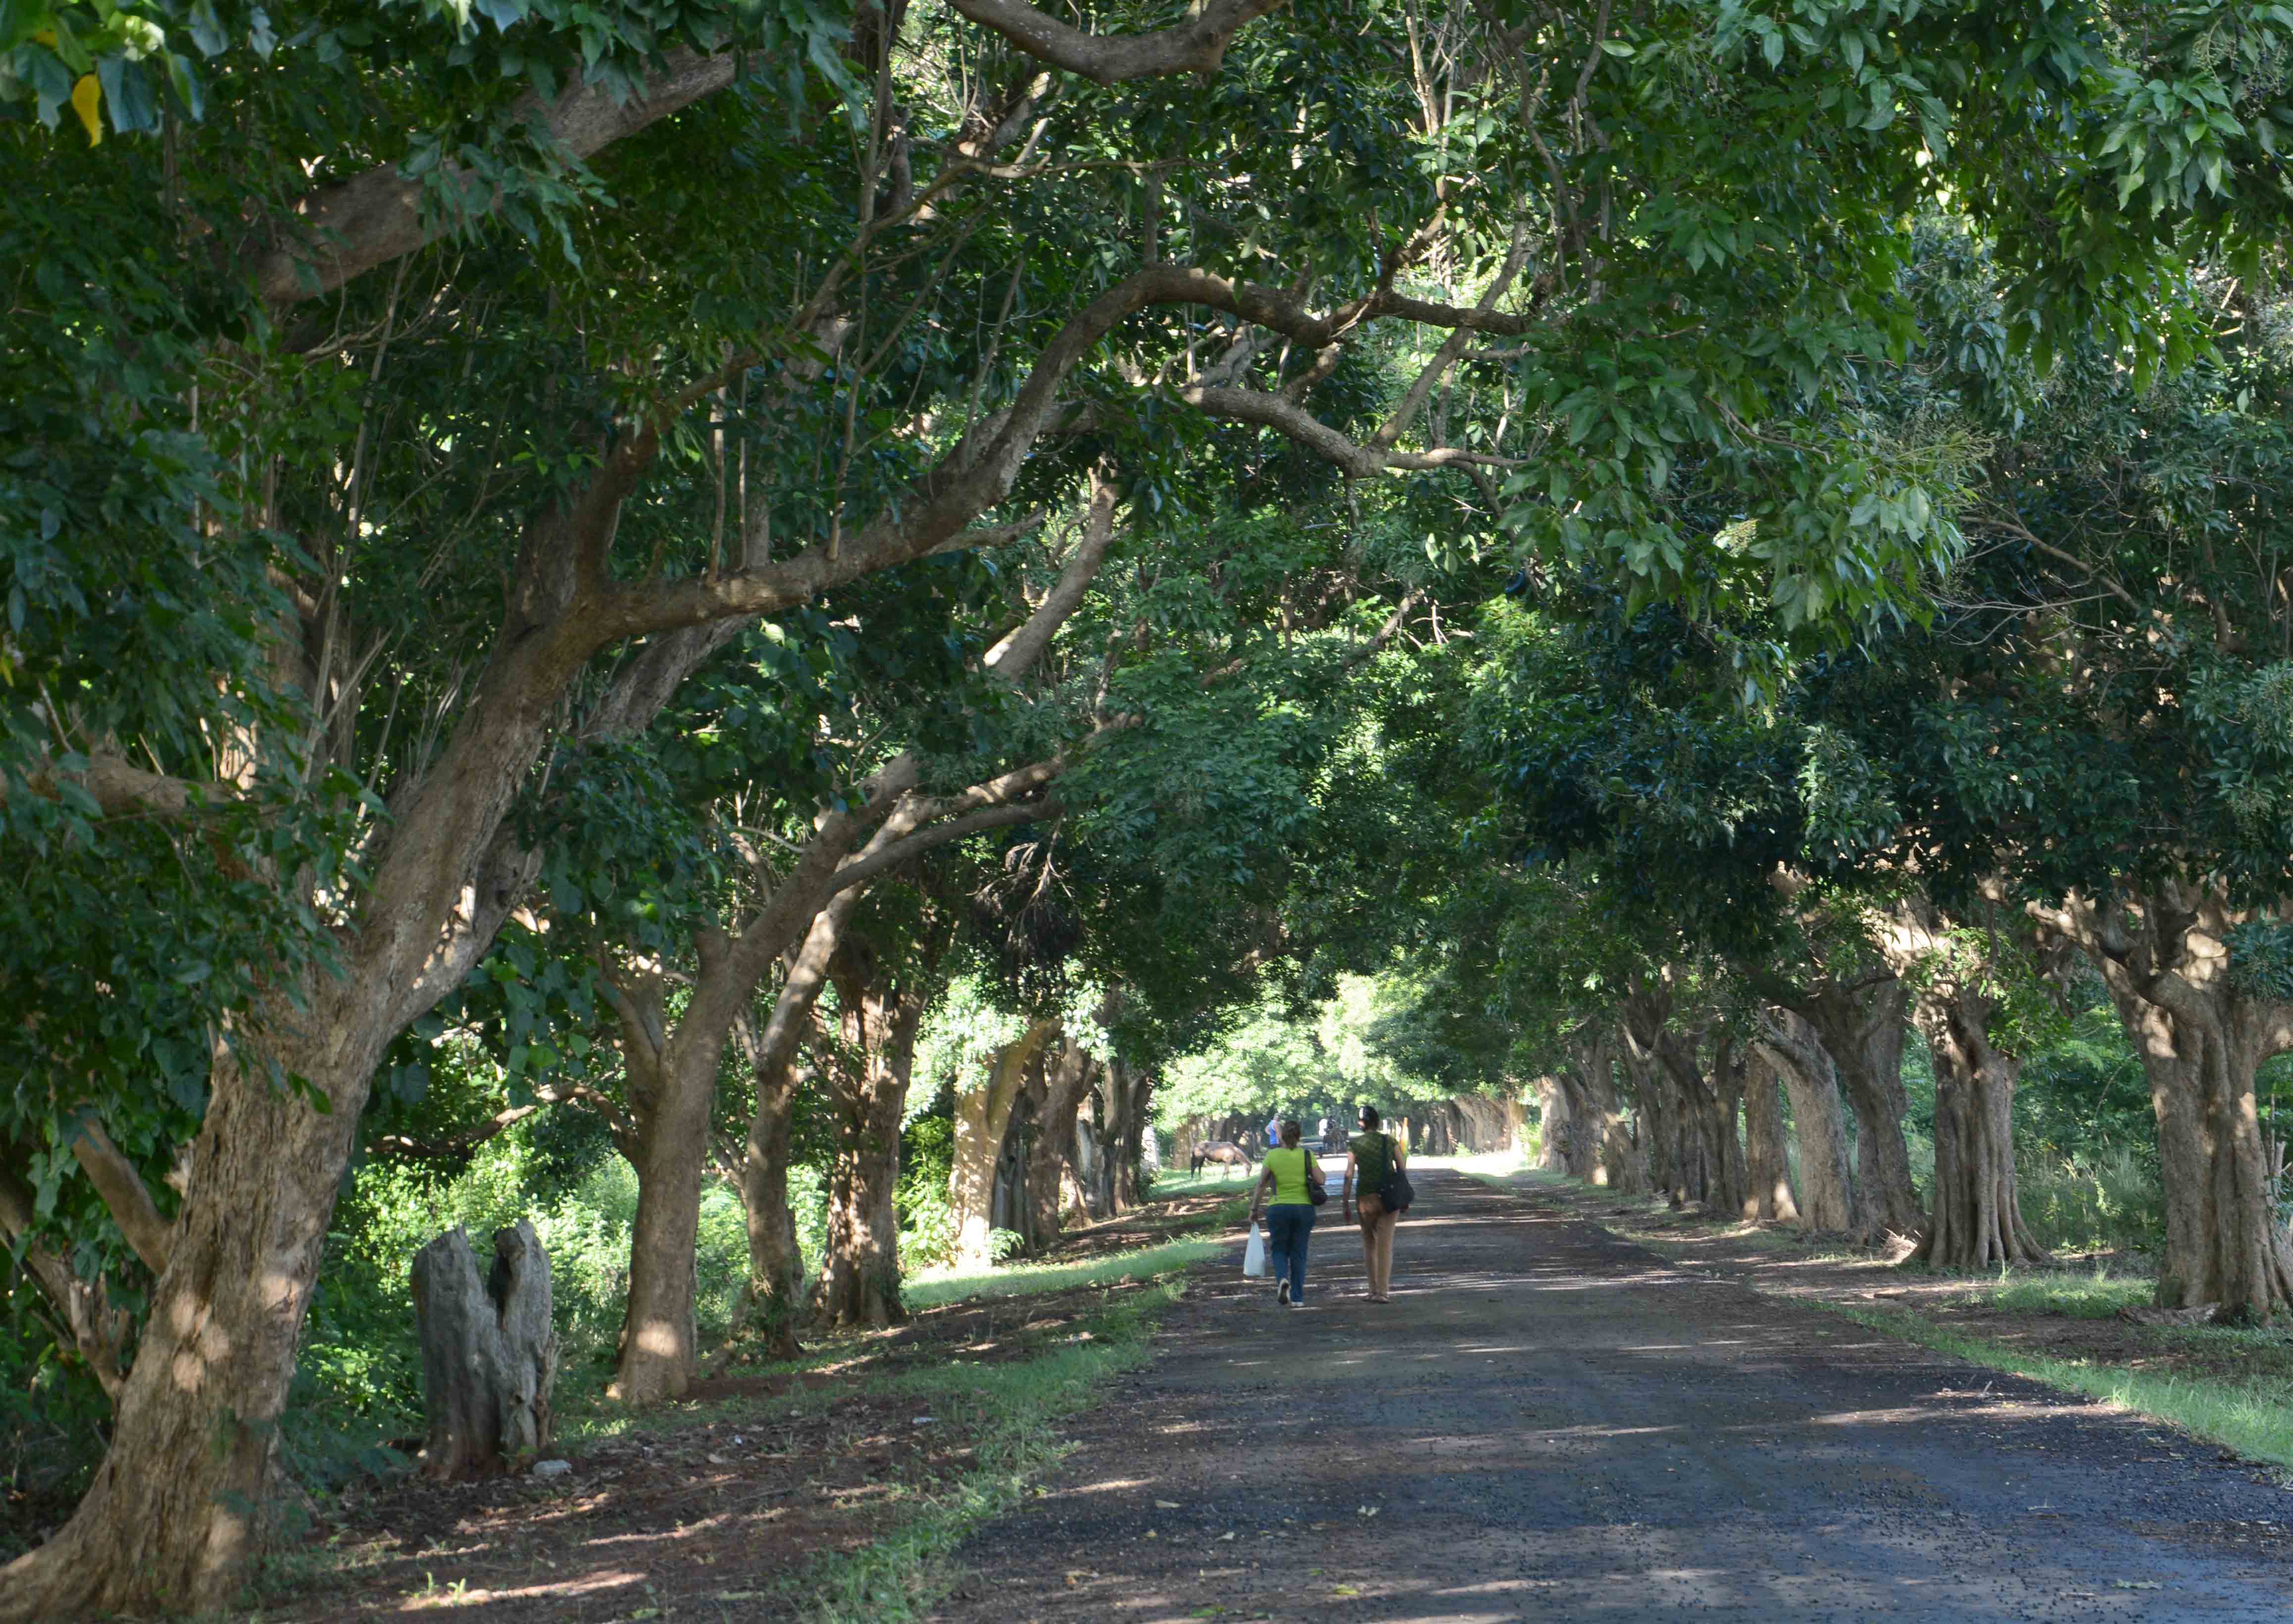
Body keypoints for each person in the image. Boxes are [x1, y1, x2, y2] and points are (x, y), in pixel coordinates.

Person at [1249, 1120, 1321, 1308]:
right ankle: (1297, 1298)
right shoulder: (1307, 1154)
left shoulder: (1273, 1156)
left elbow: (1261, 1184)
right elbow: (1321, 1179)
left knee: (1279, 1249)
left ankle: (1282, 1279)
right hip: (1304, 1209)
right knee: (1299, 1252)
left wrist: (1254, 1209)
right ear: (1299, 1136)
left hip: (1278, 1208)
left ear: (1282, 1136)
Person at [1342, 1105, 1404, 1302]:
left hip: (1365, 1199)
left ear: (1362, 1124)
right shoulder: (1390, 1141)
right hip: (1389, 1198)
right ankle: (1383, 1293)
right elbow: (1402, 1168)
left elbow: (1349, 1174)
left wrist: (1345, 1202)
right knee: (1385, 1245)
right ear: (1377, 1122)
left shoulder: (1355, 1145)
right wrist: (1403, 1195)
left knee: (1369, 1243)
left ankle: (1373, 1290)